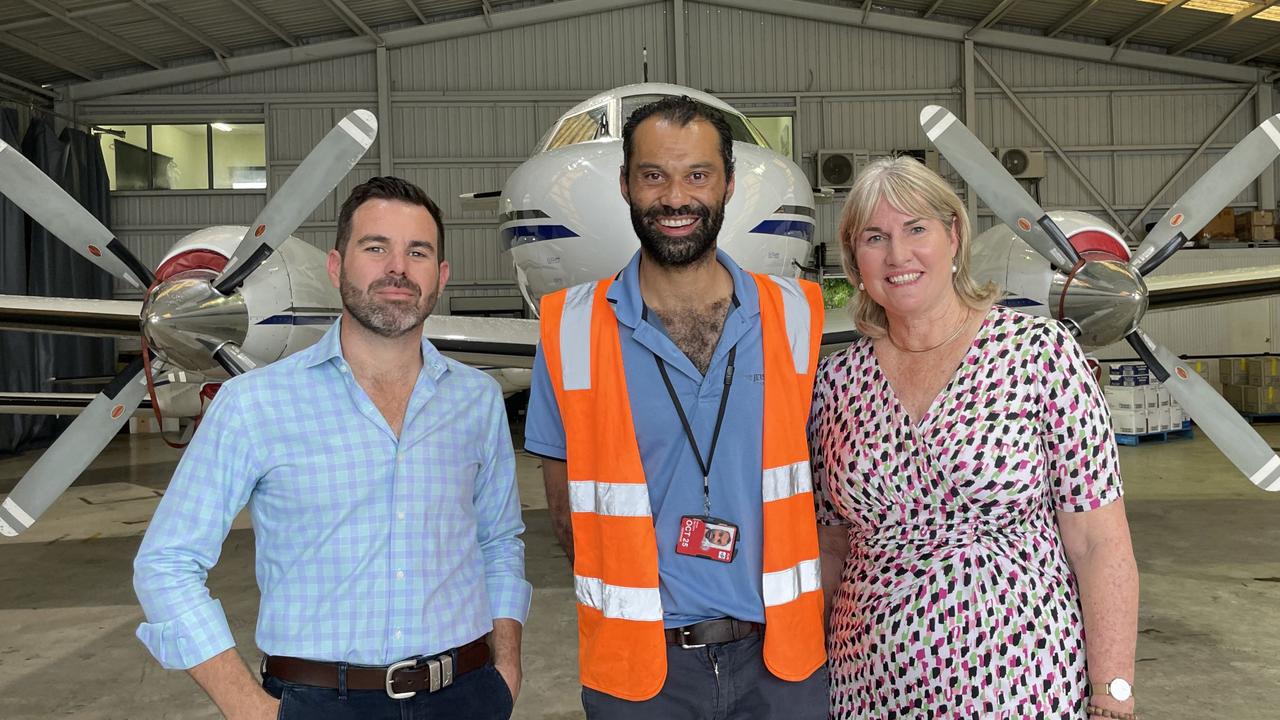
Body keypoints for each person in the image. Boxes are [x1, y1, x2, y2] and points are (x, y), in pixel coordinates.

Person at [133, 176, 530, 720]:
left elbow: (499, 541)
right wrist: (248, 707)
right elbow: (166, 564)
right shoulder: (254, 404)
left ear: (440, 278)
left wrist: (505, 669)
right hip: (319, 701)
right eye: (376, 248)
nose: (398, 268)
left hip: (466, 693)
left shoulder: (477, 400)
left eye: (418, 252)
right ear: (336, 267)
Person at [524, 95, 829, 719]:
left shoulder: (799, 316)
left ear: (728, 185)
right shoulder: (568, 329)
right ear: (626, 185)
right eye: (653, 176)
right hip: (640, 675)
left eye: (697, 175)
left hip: (782, 664)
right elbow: (566, 517)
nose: (675, 198)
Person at [810, 156, 1139, 719]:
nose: (898, 255)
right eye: (875, 237)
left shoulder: (1041, 354)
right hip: (868, 683)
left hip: (1022, 681)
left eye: (917, 229)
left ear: (954, 236)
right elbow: (831, 547)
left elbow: (1098, 542)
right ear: (854, 258)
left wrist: (1112, 690)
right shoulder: (836, 383)